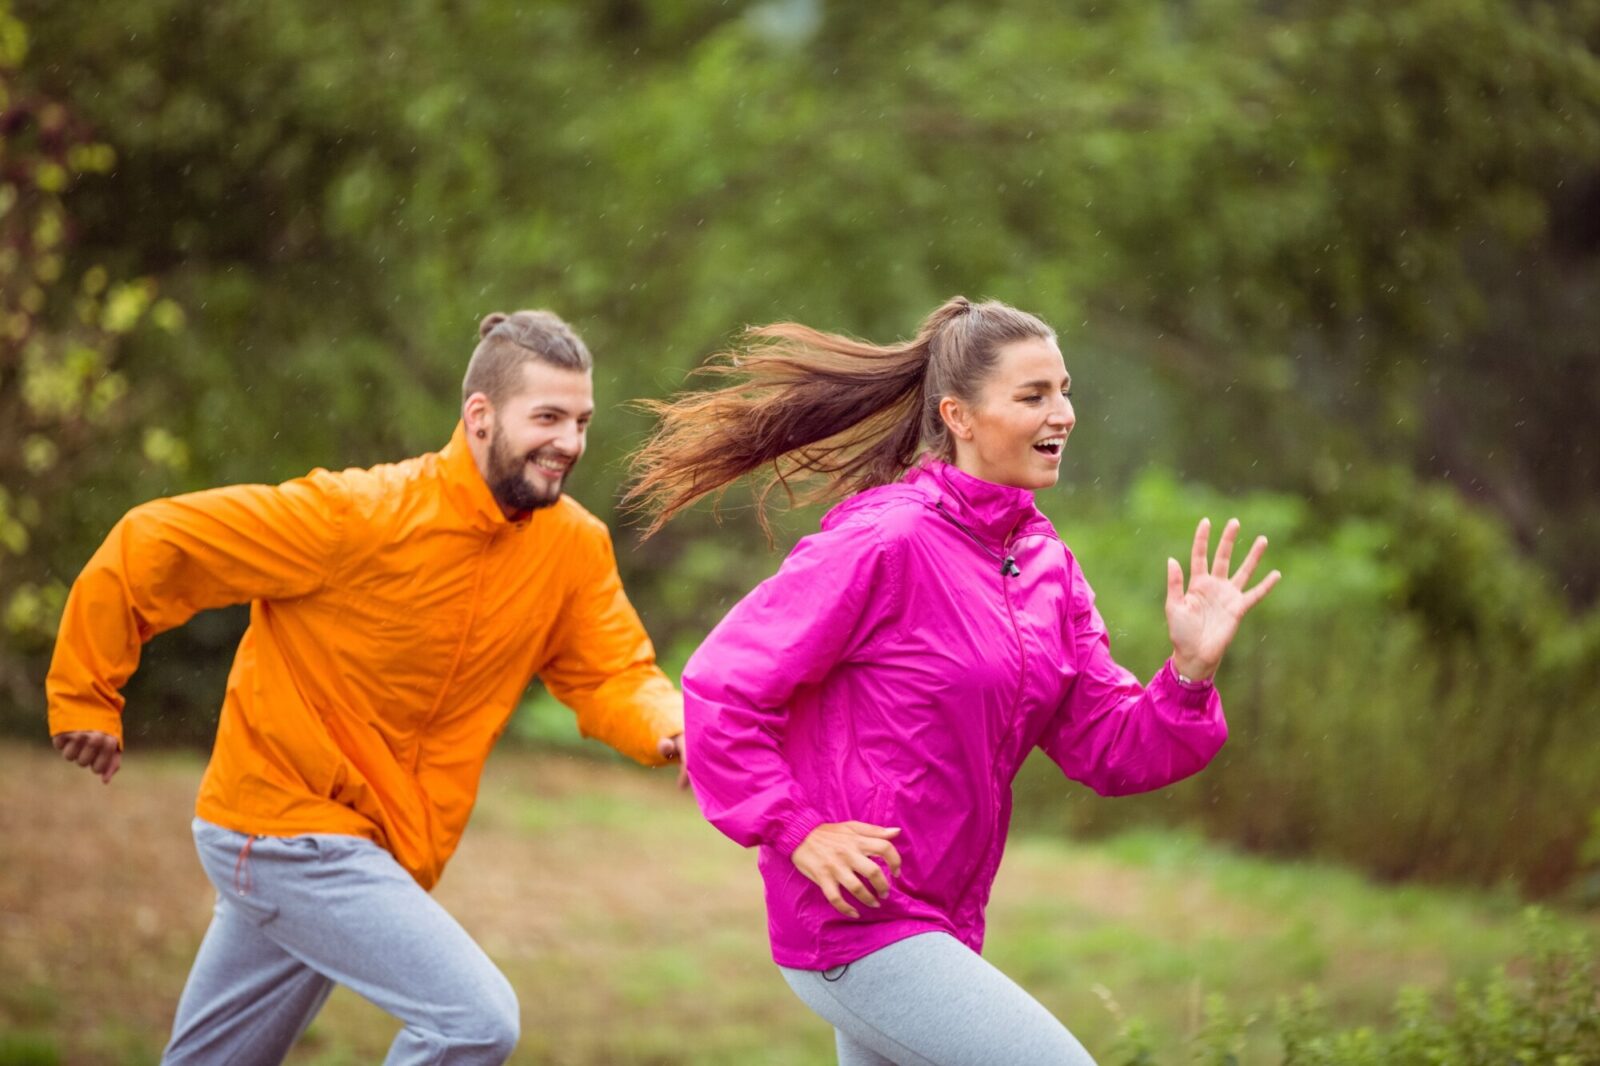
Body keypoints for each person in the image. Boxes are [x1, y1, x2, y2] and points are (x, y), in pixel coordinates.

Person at [627, 296, 1280, 1065]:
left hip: (941, 918)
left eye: (1065, 390)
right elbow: (722, 687)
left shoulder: (1046, 568)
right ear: (959, 418)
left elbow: (1107, 744)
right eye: (1033, 395)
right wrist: (795, 830)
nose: (1062, 413)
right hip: (857, 922)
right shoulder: (886, 541)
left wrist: (1189, 674)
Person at [46, 310, 686, 1066]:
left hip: (373, 849)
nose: (570, 443)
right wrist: (87, 694)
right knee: (473, 1022)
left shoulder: (572, 548)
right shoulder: (361, 516)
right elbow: (158, 542)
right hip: (284, 827)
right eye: (547, 417)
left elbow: (612, 672)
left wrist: (671, 726)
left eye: (581, 420)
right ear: (479, 416)